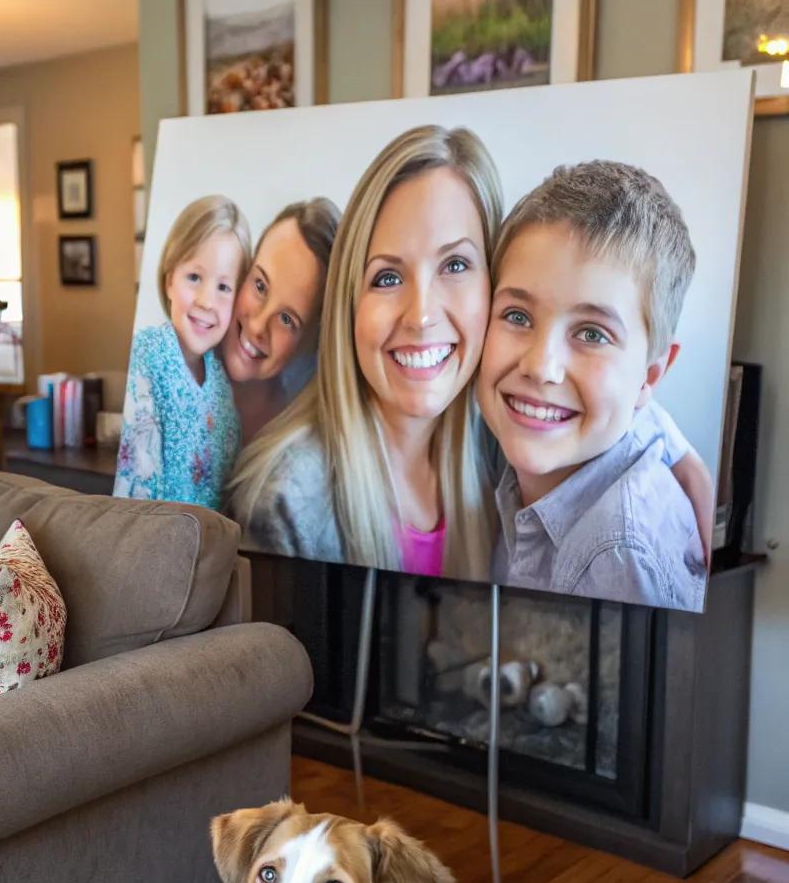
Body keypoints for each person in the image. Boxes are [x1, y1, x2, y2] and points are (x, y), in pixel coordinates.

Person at [228, 126, 503, 578]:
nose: (420, 316)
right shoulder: (283, 502)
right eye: (387, 278)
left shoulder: (502, 450)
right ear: (349, 305)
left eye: (455, 265)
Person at [476, 160, 707, 608]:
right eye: (517, 316)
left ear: (650, 376)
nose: (541, 367)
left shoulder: (616, 556)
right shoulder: (516, 429)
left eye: (592, 334)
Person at [114, 195, 250, 509]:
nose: (206, 300)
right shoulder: (148, 353)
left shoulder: (223, 380)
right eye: (194, 277)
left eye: (223, 287)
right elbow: (137, 482)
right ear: (169, 281)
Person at [220, 198, 340, 445]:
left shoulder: (299, 440)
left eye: (287, 319)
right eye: (260, 285)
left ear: (311, 341)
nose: (257, 327)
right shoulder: (177, 363)